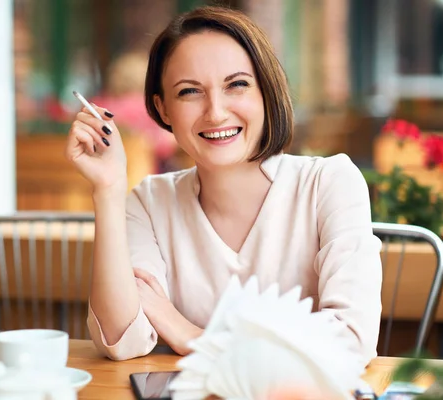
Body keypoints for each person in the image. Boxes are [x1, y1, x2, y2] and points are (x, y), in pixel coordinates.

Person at [65, 5, 382, 364]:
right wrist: (108, 189)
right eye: (189, 92)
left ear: (266, 92)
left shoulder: (329, 182)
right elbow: (124, 341)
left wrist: (194, 336)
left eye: (237, 85)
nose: (216, 112)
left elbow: (352, 339)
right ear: (163, 108)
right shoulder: (150, 203)